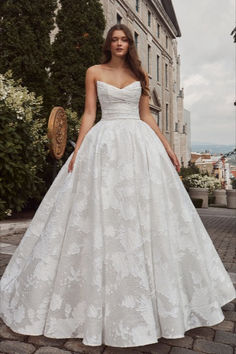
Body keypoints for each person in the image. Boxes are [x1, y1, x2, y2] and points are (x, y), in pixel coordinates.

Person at [0, 24, 235, 349]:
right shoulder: (94, 71)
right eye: (115, 39)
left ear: (130, 45)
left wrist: (167, 148)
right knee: (103, 213)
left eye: (125, 39)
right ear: (109, 44)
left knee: (142, 212)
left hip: (139, 148)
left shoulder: (140, 77)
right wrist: (78, 150)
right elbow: (88, 113)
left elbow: (147, 118)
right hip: (104, 144)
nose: (120, 43)